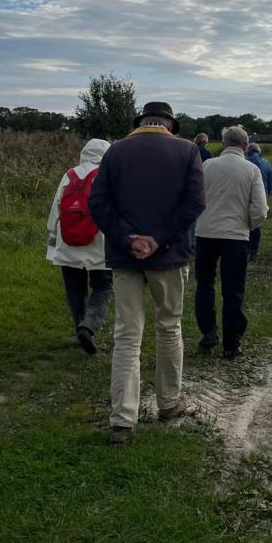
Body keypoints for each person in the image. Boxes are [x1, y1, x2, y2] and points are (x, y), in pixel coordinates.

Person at [89, 102, 206, 446]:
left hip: (125, 258)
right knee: (169, 327)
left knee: (127, 335)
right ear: (170, 124)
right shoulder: (187, 151)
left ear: (140, 121)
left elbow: (99, 203)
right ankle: (169, 404)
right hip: (169, 257)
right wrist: (158, 238)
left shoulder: (115, 151)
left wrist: (129, 239)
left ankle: (122, 419)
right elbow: (195, 203)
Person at [194, 125, 268, 358]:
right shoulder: (251, 170)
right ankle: (231, 343)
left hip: (206, 233)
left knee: (205, 285)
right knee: (233, 290)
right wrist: (249, 226)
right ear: (244, 146)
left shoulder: (207, 166)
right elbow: (260, 209)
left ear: (224, 144)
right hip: (235, 236)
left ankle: (208, 333)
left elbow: (195, 198)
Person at [46, 138, 112, 355]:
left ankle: (79, 329)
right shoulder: (108, 175)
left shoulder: (70, 175)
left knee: (75, 290)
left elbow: (57, 207)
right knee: (103, 286)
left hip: (69, 241)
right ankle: (89, 325)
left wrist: (53, 235)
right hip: (99, 242)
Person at [244, 142, 272, 261]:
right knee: (256, 224)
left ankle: (245, 248)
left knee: (244, 223)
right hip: (261, 196)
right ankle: (254, 251)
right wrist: (270, 191)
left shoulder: (244, 162)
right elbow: (271, 180)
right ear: (259, 151)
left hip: (245, 196)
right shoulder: (266, 163)